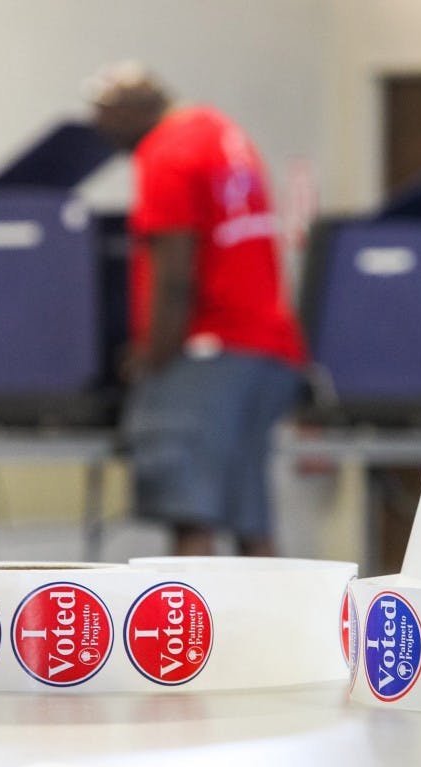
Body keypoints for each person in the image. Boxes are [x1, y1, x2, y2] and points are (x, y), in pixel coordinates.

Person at [90, 63, 308, 557]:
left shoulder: (166, 151)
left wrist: (151, 358)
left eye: (105, 119)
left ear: (134, 109)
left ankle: (185, 633)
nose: (102, 133)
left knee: (190, 514)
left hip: (209, 351)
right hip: (268, 350)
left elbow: (173, 275)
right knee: (249, 515)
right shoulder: (220, 132)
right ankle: (271, 631)